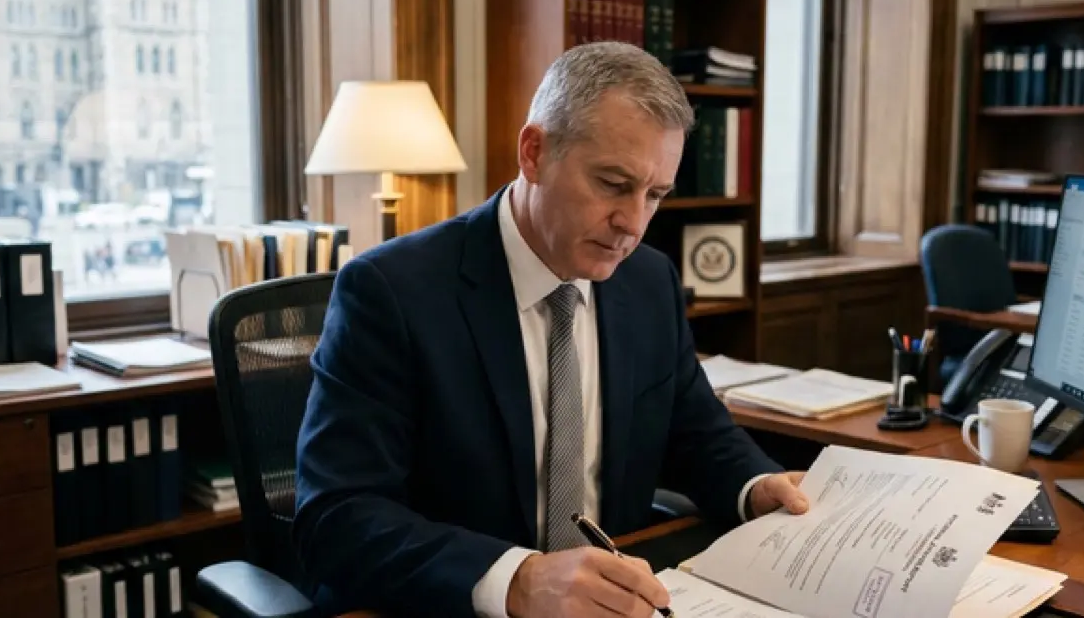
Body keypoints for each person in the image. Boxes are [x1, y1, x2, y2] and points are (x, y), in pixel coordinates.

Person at [294, 41, 809, 618]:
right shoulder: (391, 291)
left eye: (655, 195)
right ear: (534, 153)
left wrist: (755, 486)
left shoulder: (648, 281)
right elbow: (337, 516)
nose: (633, 223)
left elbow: (694, 432)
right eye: (613, 184)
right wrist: (517, 580)